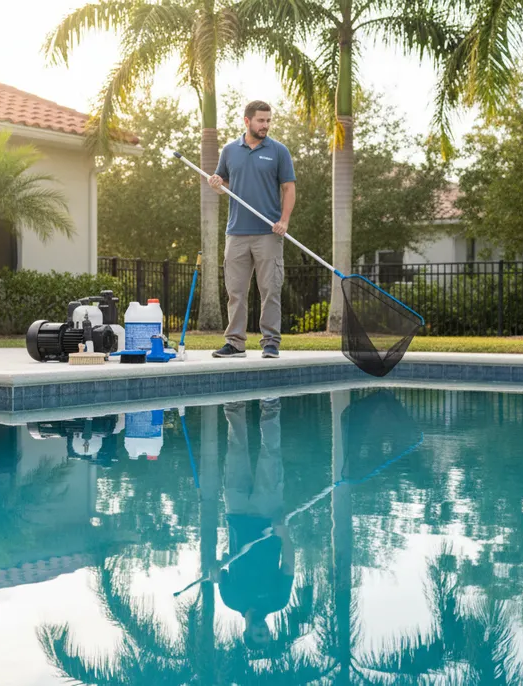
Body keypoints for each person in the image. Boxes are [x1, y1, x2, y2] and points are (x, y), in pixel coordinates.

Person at [208, 100, 296, 359]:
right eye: (261, 120)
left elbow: (289, 188)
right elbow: (221, 183)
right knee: (235, 292)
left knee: (270, 290)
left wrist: (284, 220)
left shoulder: (279, 151)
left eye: (268, 120)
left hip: (268, 232)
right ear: (247, 121)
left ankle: (270, 342)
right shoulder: (229, 151)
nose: (265, 125)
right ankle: (235, 343)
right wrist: (216, 184)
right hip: (236, 232)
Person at [217, 398, 295, 650]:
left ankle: (234, 405)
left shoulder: (231, 600)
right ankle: (271, 405)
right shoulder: (278, 600)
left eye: (258, 634)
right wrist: (283, 534)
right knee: (270, 454)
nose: (263, 630)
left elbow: (221, 565)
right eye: (266, 634)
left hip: (237, 515)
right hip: (267, 516)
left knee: (235, 450)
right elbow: (289, 565)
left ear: (247, 633)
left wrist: (215, 570)